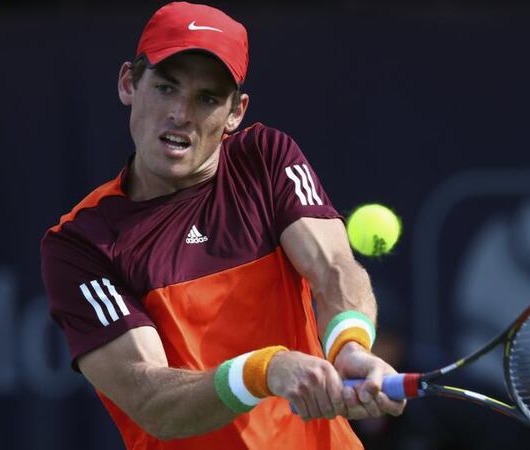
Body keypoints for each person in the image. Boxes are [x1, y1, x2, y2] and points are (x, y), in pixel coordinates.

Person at [40, 2, 404, 449]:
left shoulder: (264, 160)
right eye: (166, 87)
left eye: (207, 98)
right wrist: (265, 371)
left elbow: (333, 268)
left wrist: (350, 347)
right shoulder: (81, 244)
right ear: (129, 83)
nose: (180, 113)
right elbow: (152, 399)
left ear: (235, 112)